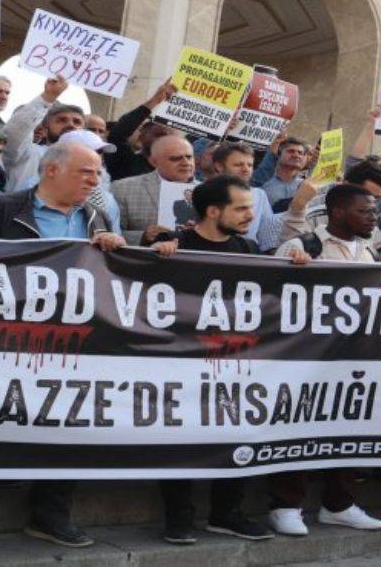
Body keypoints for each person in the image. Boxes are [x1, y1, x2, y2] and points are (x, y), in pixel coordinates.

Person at [0, 141, 128, 554]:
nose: (96, 180)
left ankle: (51, 515)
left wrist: (115, 250)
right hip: (5, 339)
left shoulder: (96, 216)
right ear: (51, 170)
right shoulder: (1, 210)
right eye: (87, 171)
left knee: (67, 429)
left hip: (73, 344)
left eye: (98, 173)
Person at [147, 175, 280, 543]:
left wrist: (297, 262)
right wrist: (156, 255)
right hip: (180, 364)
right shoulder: (174, 244)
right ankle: (179, 517)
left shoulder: (250, 251)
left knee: (238, 434)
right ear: (212, 211)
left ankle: (227, 513)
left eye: (251, 208)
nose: (249, 216)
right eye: (240, 208)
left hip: (234, 363)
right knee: (180, 439)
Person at [266, 183, 381, 535]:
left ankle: (340, 503)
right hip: (305, 358)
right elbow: (268, 295)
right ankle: (286, 504)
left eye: (376, 212)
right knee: (297, 428)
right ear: (338, 211)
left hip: (353, 359)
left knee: (348, 427)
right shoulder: (302, 246)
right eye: (365, 211)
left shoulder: (372, 253)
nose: (373, 218)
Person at [110, 134, 195, 245]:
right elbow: (110, 233)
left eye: (189, 157)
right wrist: (143, 236)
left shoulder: (210, 190)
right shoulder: (123, 188)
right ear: (154, 162)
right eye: (175, 158)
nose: (185, 162)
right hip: (146, 259)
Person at [2, 76, 84, 192]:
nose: (71, 125)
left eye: (77, 122)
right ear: (45, 129)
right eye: (61, 120)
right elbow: (14, 133)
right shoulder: (28, 153)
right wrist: (47, 98)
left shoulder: (91, 164)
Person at [208, 142, 284, 252]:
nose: (245, 170)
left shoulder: (259, 195)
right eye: (238, 165)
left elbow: (267, 235)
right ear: (219, 166)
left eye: (250, 165)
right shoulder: (202, 192)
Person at [253, 136, 309, 212]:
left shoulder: (305, 184)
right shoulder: (261, 179)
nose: (296, 155)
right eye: (291, 151)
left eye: (300, 153)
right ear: (279, 154)